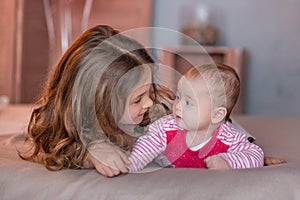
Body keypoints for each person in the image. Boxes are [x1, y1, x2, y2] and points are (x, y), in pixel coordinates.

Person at [19, 25, 284, 177]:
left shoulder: (158, 110)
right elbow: (56, 148)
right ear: (99, 105)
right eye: (137, 99)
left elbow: (216, 126)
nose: (147, 103)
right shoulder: (74, 127)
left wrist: (248, 155)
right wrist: (92, 152)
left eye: (149, 90)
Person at [127, 64, 264, 172]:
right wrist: (130, 165)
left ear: (216, 115)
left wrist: (228, 162)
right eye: (178, 97)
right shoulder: (166, 127)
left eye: (188, 103)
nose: (178, 106)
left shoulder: (228, 137)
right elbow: (147, 145)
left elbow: (256, 155)